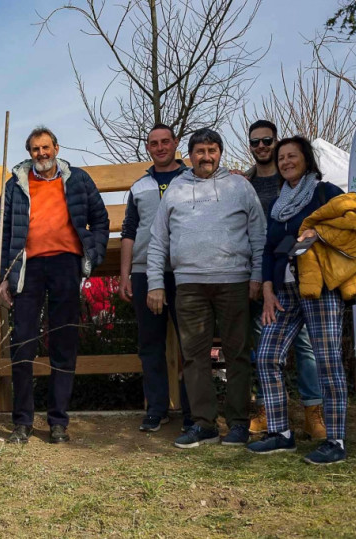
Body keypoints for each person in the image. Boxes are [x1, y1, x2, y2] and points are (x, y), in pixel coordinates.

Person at [147, 128, 265, 449]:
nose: (206, 157)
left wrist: (257, 276)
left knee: (237, 355)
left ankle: (238, 423)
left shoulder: (239, 187)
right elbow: (158, 240)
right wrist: (156, 283)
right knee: (194, 357)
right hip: (189, 286)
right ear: (190, 154)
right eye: (200, 151)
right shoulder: (176, 189)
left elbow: (258, 234)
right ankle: (204, 424)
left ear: (220, 153)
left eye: (212, 150)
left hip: (234, 282)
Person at [0, 126, 110, 444]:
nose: (41, 154)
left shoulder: (78, 180)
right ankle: (22, 423)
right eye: (35, 149)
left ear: (56, 148)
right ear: (29, 152)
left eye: (46, 148)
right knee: (22, 343)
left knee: (64, 342)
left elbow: (100, 219)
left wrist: (94, 253)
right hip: (27, 267)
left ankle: (58, 422)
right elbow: (3, 233)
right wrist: (3, 278)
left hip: (65, 264)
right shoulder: (16, 185)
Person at [246, 136, 348, 465]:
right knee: (266, 356)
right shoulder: (279, 203)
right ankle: (280, 434)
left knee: (328, 363)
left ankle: (335, 441)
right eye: (282, 158)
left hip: (318, 288)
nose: (286, 161)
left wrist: (319, 233)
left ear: (306, 158)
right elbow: (266, 249)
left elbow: (352, 220)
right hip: (283, 292)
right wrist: (266, 290)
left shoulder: (324, 191)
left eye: (292, 156)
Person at [242, 120, 325, 440]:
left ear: (276, 143)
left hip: (297, 273)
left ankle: (312, 410)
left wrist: (297, 251)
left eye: (267, 141)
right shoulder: (244, 183)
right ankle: (267, 409)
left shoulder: (296, 179)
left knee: (305, 345)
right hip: (261, 274)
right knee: (263, 347)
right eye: (255, 143)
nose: (261, 147)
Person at [119, 124, 192, 433]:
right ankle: (157, 409)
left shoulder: (194, 179)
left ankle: (194, 412)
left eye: (166, 141)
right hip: (144, 272)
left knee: (192, 345)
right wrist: (124, 273)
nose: (160, 147)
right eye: (154, 143)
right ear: (147, 148)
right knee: (150, 345)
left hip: (187, 271)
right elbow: (129, 231)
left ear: (175, 143)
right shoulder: (139, 187)